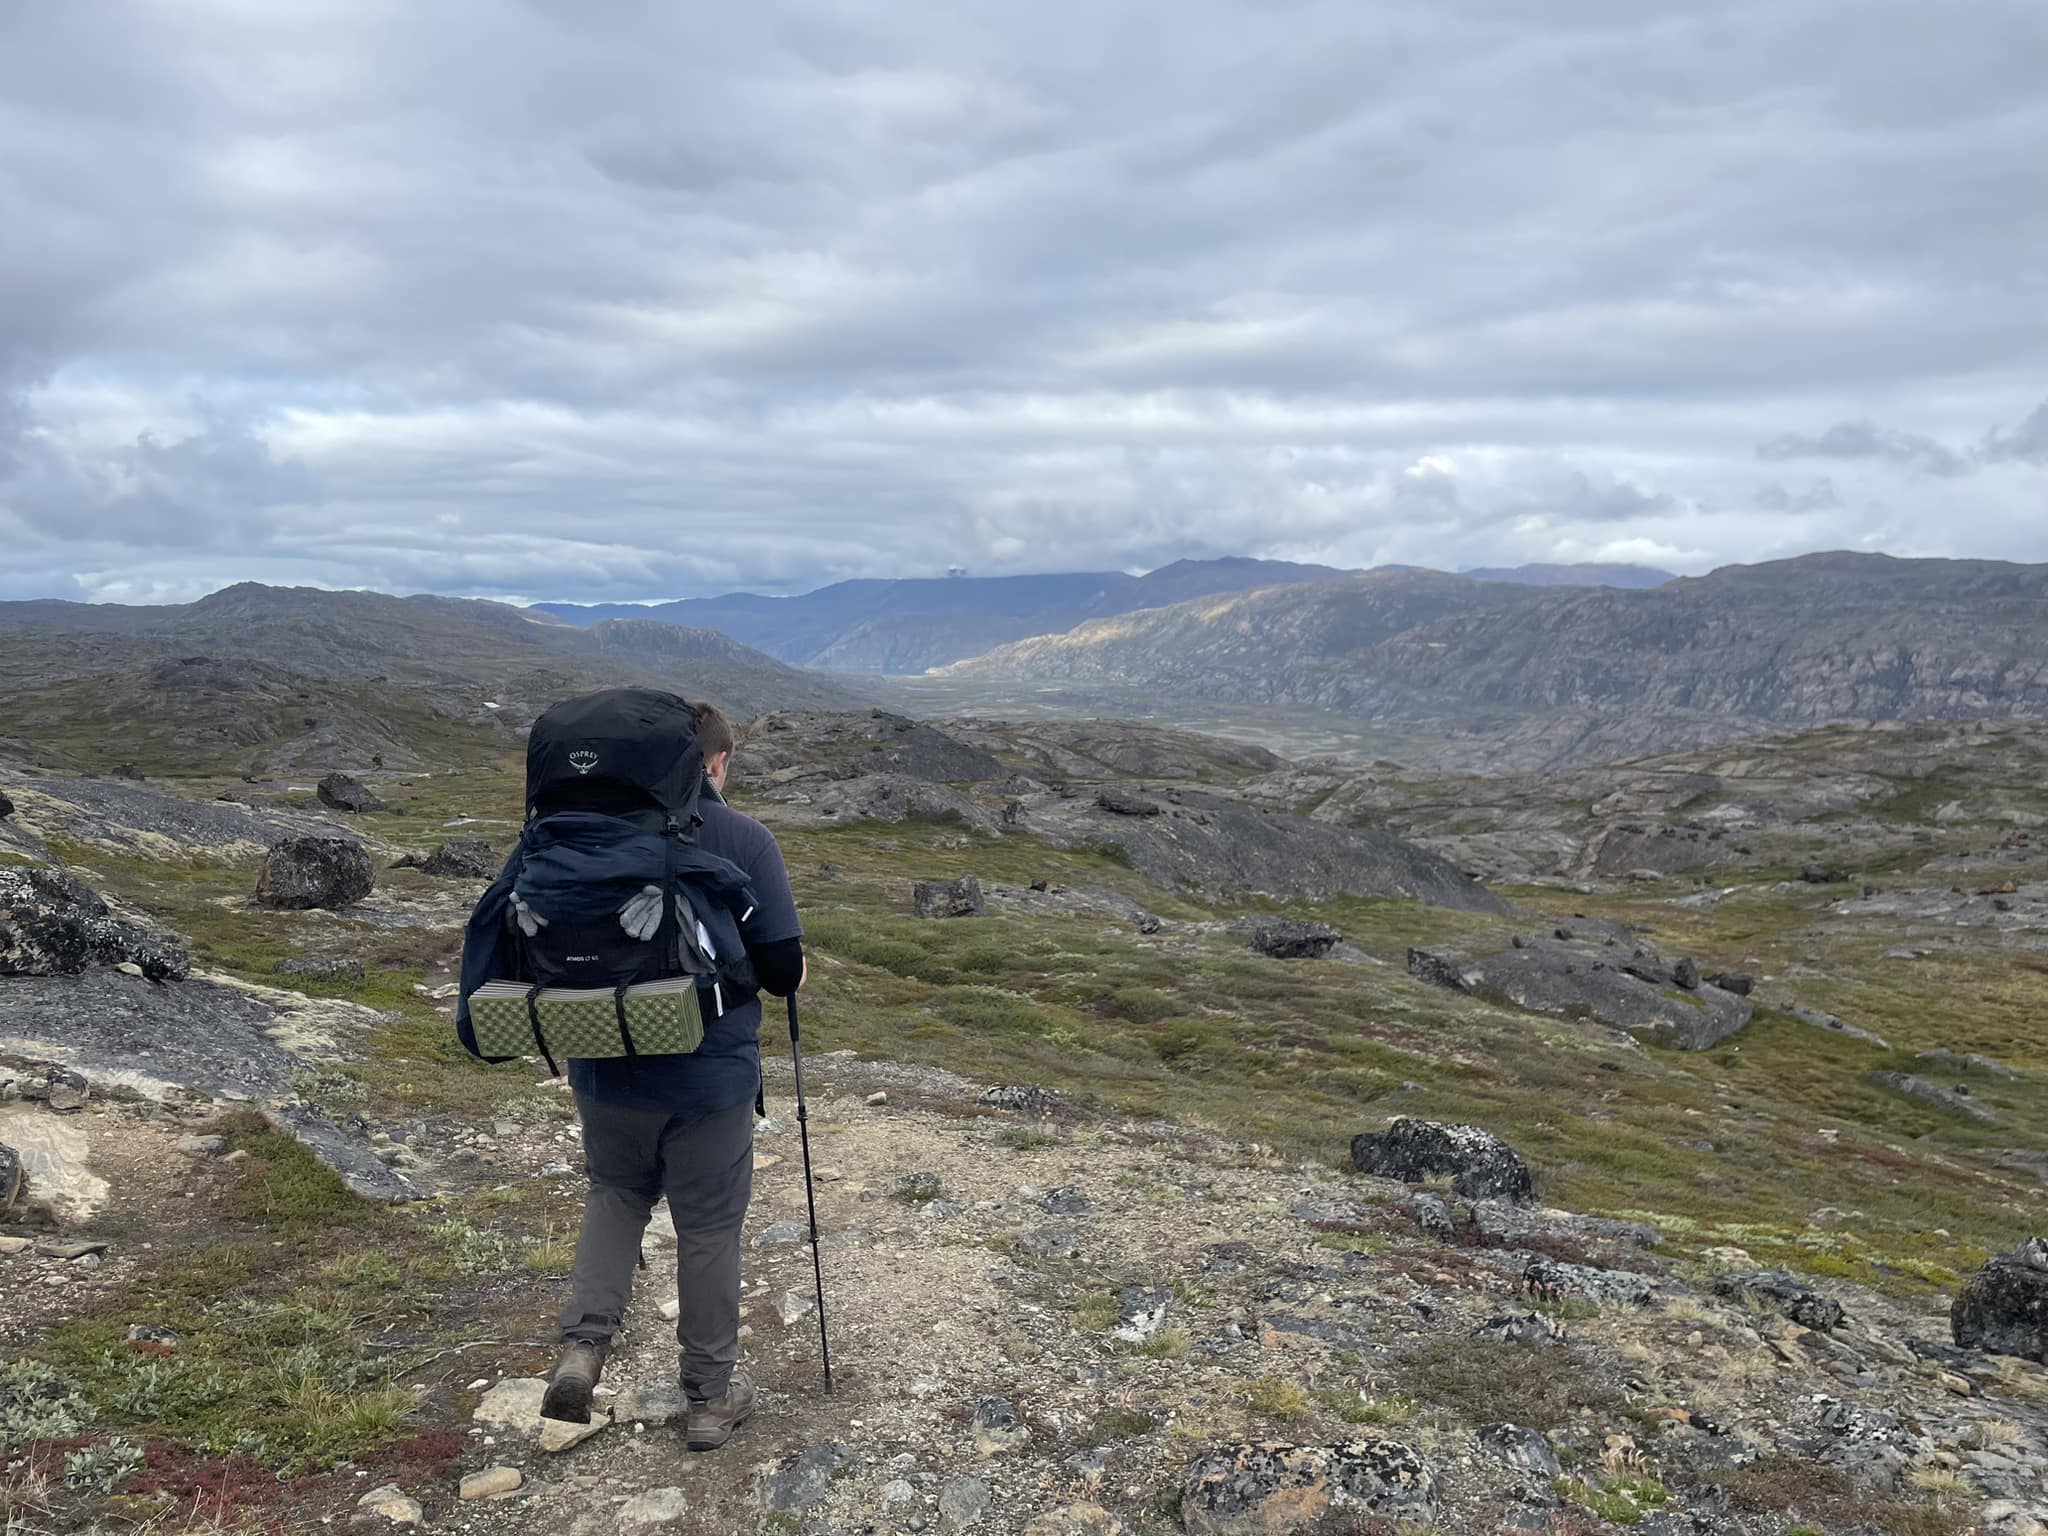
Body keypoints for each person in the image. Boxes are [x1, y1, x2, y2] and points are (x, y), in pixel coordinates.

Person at [540, 701, 804, 1452]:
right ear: (715, 764)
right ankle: (711, 1399)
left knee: (616, 1195)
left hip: (601, 1064)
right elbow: (782, 970)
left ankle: (582, 1353)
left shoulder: (570, 831)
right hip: (708, 1078)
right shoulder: (742, 838)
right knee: (709, 1228)